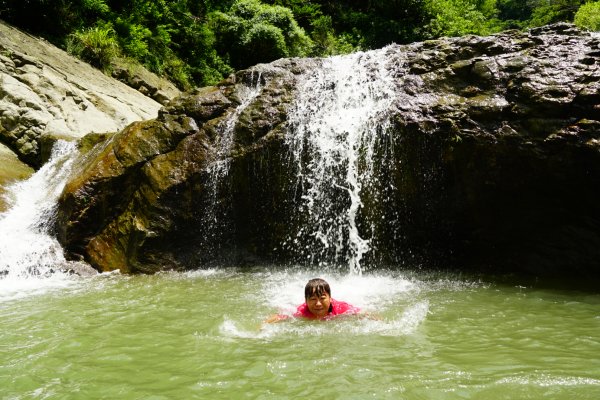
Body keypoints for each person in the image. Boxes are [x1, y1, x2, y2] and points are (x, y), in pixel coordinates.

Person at [265, 278, 360, 322]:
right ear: (306, 301)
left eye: (322, 298)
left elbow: (363, 313)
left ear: (330, 299)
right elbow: (280, 316)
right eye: (313, 299)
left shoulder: (341, 308)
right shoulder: (301, 311)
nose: (318, 304)